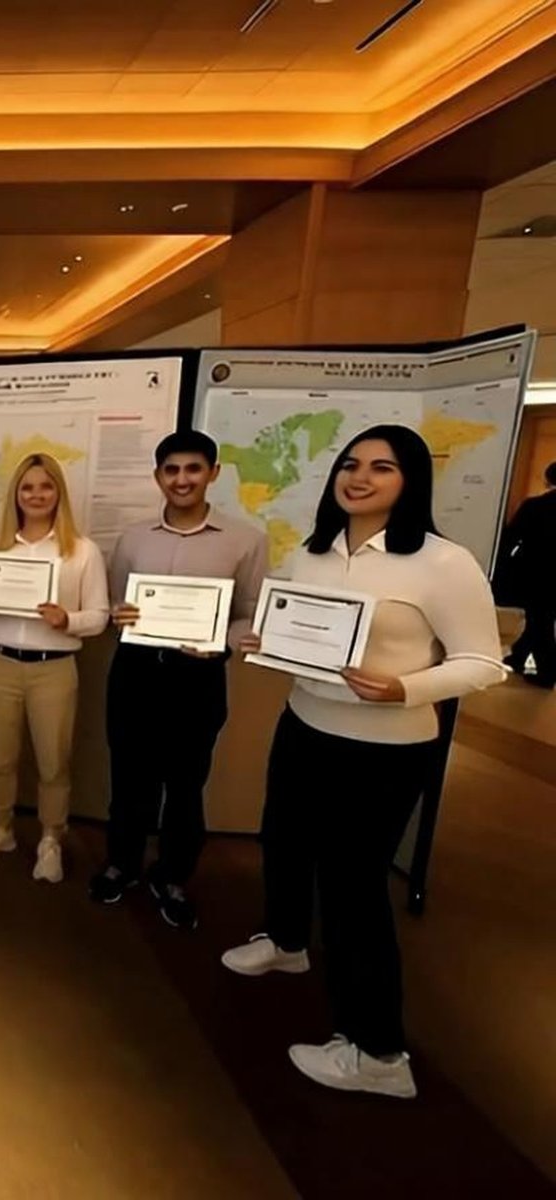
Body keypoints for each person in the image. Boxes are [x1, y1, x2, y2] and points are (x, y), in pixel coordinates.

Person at [224, 425, 504, 1099]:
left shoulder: (442, 562)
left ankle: (380, 1054)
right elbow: (289, 627)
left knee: (353, 893)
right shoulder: (314, 552)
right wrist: (252, 638)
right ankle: (287, 943)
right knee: (284, 844)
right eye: (351, 464)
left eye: (382, 467)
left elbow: (484, 663)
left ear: (410, 481)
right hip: (305, 725)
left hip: (384, 748)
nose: (360, 477)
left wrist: (405, 686)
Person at [91, 430, 267, 930]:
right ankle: (121, 864)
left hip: (198, 677)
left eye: (193, 469)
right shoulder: (134, 537)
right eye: (171, 470)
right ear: (158, 477)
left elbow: (250, 614)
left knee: (186, 786)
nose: (182, 479)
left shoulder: (245, 539)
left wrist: (222, 642)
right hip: (136, 673)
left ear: (213, 473)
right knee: (128, 779)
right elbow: (117, 603)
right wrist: (119, 614)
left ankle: (172, 877)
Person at [0, 454, 108, 881]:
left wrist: (68, 620)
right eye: (27, 488)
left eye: (45, 487)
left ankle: (50, 838)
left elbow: (99, 615)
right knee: (1, 757)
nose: (36, 495)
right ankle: (1, 826)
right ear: (16, 495)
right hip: (0, 665)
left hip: (54, 669)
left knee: (53, 762)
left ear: (58, 493)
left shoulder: (82, 551)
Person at [499, 460, 556, 686]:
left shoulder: (534, 506)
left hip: (536, 572)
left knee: (539, 620)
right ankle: (519, 655)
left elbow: (511, 537)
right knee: (540, 619)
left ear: (547, 479)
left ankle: (547, 672)